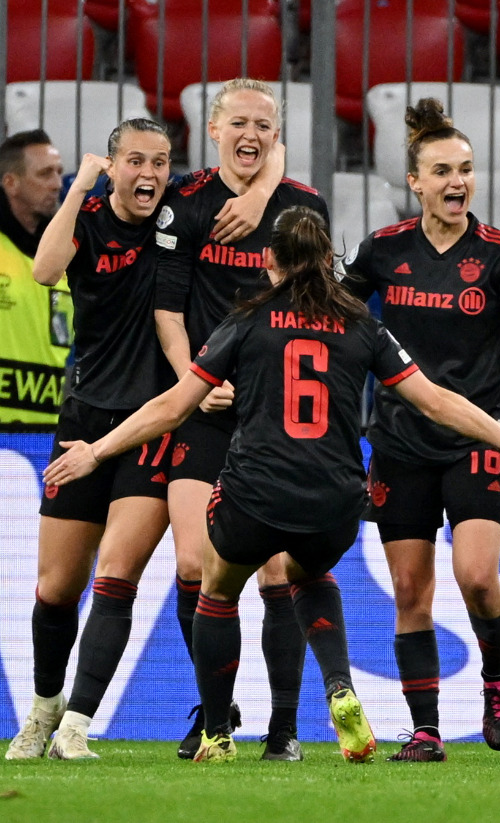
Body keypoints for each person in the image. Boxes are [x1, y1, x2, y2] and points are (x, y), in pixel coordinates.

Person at [41, 205, 500, 764]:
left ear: (269, 262)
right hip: (336, 504)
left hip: (255, 495)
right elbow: (439, 401)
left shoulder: (245, 321)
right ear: (329, 261)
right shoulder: (363, 326)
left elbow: (173, 407)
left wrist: (97, 451)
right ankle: (334, 688)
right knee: (310, 574)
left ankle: (218, 734)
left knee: (217, 590)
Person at [4, 118, 275, 761]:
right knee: (54, 588)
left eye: (160, 162)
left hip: (156, 421)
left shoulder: (180, 216)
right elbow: (44, 271)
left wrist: (262, 192)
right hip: (84, 420)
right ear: (113, 165)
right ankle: (43, 709)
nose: (149, 174)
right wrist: (79, 189)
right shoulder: (89, 218)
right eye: (134, 161)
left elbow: (263, 154)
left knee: (118, 575)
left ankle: (76, 725)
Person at [340, 97, 500, 762]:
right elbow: (338, 323)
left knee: (475, 577)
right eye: (442, 171)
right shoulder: (383, 251)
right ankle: (426, 730)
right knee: (411, 591)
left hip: (479, 436)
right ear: (414, 181)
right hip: (399, 441)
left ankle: (497, 678)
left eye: (466, 170)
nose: (457, 182)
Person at [152, 77, 320, 760]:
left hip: (276, 418)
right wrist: (196, 381)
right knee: (194, 561)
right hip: (203, 408)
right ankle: (214, 713)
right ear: (213, 130)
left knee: (277, 570)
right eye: (239, 122)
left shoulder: (303, 206)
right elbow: (166, 309)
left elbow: (317, 309)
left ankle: (283, 727)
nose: (251, 134)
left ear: (276, 136)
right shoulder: (185, 204)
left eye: (264, 124)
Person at [0, 129, 71, 425]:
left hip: (43, 437)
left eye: (59, 173)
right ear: (11, 183)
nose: (56, 185)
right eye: (44, 174)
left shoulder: (63, 255)